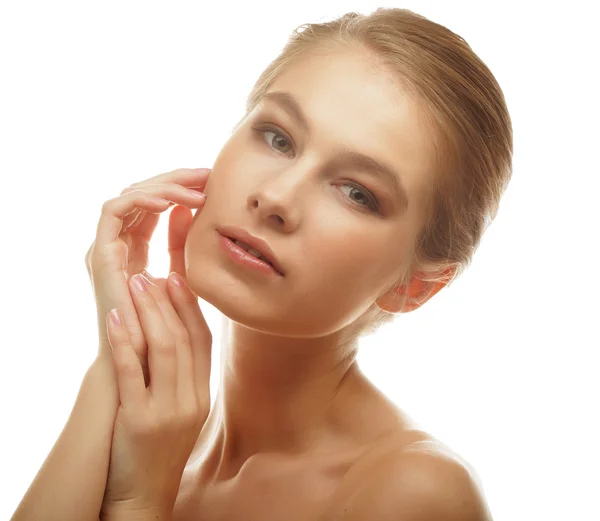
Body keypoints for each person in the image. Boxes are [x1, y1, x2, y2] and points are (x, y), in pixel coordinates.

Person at [11, 7, 512, 521]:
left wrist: (140, 503)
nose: (275, 196)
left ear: (416, 288)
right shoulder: (159, 435)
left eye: (357, 193)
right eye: (278, 137)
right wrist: (116, 365)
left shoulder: (413, 492)